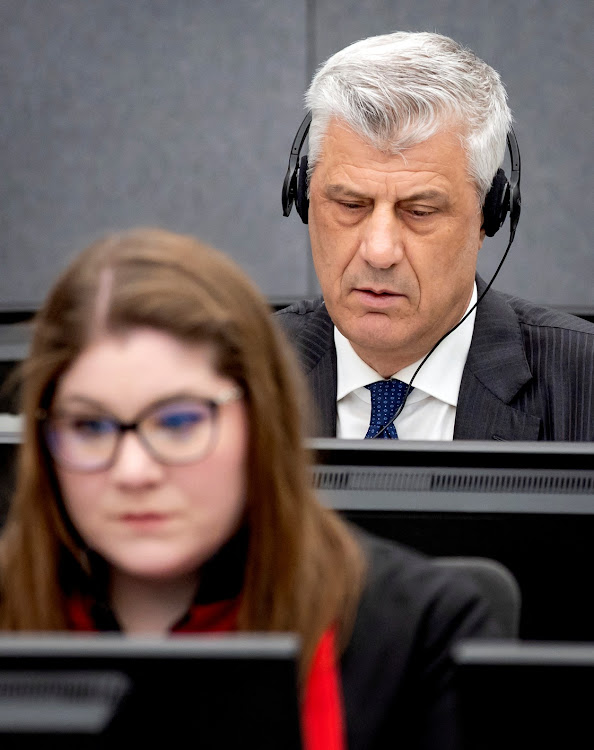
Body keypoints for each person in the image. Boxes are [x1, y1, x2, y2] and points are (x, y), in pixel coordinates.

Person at [0, 227, 498, 749]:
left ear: (260, 423)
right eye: (90, 428)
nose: (132, 471)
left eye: (177, 422)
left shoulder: (420, 633)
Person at [277, 31, 594, 440]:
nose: (379, 251)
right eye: (351, 206)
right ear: (303, 198)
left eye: (420, 212)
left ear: (489, 215)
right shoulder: (230, 374)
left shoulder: (583, 383)